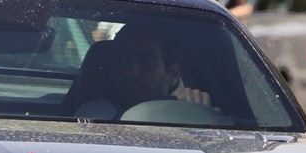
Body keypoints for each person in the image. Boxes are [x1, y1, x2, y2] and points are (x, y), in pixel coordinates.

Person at [72, 22, 212, 119]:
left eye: (146, 61)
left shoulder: (192, 110)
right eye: (123, 60)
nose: (132, 71)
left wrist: (197, 112)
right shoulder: (96, 114)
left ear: (172, 74)